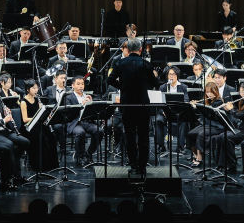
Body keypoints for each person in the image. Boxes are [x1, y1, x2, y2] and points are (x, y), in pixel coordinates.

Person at [107, 37, 155, 177]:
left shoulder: (120, 63)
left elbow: (109, 79)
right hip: (143, 104)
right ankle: (142, 166)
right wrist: (145, 85)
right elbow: (155, 83)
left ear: (128, 49)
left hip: (127, 104)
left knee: (129, 135)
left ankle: (133, 165)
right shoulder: (146, 64)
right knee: (144, 136)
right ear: (140, 49)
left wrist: (122, 87)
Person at [210, 82, 244, 174]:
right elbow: (238, 113)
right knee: (221, 136)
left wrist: (231, 109)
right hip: (243, 129)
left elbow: (241, 115)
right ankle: (222, 164)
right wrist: (229, 109)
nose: (242, 94)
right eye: (240, 92)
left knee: (227, 138)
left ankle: (232, 164)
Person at [20, 78, 59, 171]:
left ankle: (51, 165)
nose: (36, 90)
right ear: (28, 89)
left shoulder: (37, 99)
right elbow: (25, 119)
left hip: (37, 124)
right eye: (33, 88)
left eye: (37, 88)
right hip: (28, 127)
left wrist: (42, 110)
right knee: (41, 138)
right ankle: (38, 165)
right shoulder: (23, 102)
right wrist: (37, 117)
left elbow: (40, 114)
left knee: (51, 136)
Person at [61, 76, 100, 166]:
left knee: (99, 131)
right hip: (74, 122)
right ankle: (80, 156)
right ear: (73, 85)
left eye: (82, 84)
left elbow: (93, 112)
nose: (81, 86)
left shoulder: (87, 96)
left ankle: (89, 153)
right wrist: (81, 104)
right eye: (78, 84)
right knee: (80, 132)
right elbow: (68, 113)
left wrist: (91, 103)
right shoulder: (68, 97)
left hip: (86, 122)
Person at [186, 82, 225, 167]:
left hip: (217, 126)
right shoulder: (207, 101)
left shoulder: (219, 101)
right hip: (207, 125)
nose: (209, 94)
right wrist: (195, 107)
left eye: (211, 92)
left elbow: (212, 115)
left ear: (215, 92)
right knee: (190, 134)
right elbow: (201, 114)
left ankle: (199, 158)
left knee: (201, 134)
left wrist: (199, 106)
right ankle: (195, 155)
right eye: (207, 92)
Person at [154, 66, 189, 155]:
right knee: (158, 120)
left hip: (178, 113)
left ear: (177, 76)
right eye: (170, 74)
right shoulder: (163, 87)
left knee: (184, 121)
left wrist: (178, 111)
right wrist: (163, 111)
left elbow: (186, 101)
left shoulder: (183, 87)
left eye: (173, 74)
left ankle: (180, 146)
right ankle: (160, 146)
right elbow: (160, 103)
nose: (171, 76)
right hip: (165, 113)